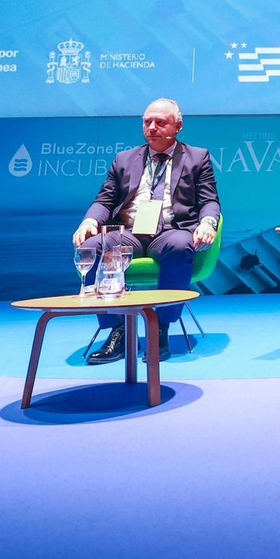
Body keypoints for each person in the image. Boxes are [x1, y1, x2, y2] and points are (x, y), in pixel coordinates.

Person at [72, 98, 220, 364]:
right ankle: (117, 330)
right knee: (93, 245)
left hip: (170, 230)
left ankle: (160, 328)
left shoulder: (197, 158)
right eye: (147, 122)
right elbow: (105, 200)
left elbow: (209, 200)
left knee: (179, 244)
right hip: (129, 231)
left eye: (160, 122)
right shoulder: (124, 159)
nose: (152, 127)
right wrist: (89, 222)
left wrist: (208, 223)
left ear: (178, 126)